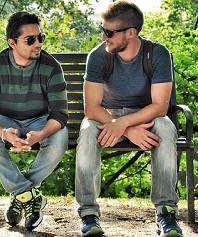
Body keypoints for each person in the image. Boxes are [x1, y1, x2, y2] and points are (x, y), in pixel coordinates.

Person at [75, 1, 183, 237]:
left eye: (110, 32)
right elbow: (92, 109)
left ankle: (166, 212)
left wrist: (125, 124)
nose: (104, 37)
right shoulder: (98, 56)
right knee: (87, 130)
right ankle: (89, 214)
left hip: (145, 115)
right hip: (106, 115)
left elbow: (160, 106)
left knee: (165, 128)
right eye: (102, 30)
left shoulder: (157, 54)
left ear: (131, 33)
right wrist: (124, 128)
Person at [0, 11, 68, 231]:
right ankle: (28, 194)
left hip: (39, 120)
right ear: (12, 43)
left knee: (60, 137)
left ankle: (21, 196)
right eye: (30, 40)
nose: (38, 44)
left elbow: (60, 115)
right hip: (6, 120)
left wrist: (42, 134)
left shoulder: (51, 66)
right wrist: (4, 133)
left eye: (40, 38)